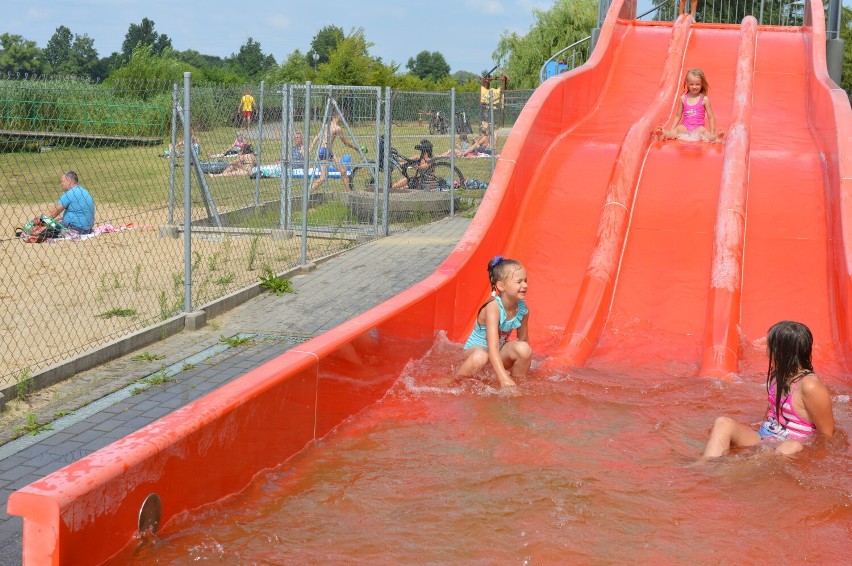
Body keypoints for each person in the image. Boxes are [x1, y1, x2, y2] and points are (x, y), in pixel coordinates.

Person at [701, 321, 836, 458]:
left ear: (781, 353)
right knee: (723, 423)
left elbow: (828, 435)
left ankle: (741, 468)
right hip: (764, 437)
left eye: (768, 346)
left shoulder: (810, 386)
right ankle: (706, 469)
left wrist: (811, 459)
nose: (766, 351)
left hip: (790, 447)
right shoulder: (778, 375)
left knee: (790, 447)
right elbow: (770, 414)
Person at [455, 256, 532, 389]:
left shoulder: (522, 309)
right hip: (478, 350)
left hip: (498, 351)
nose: (525, 285)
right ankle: (454, 380)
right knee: (482, 356)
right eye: (519, 282)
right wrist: (503, 378)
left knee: (524, 349)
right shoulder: (493, 307)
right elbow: (492, 346)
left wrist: (525, 363)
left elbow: (524, 340)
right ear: (501, 286)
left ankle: (517, 385)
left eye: (525, 280)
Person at [655, 68, 723, 143]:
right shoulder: (683, 98)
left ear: (701, 84)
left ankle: (716, 138)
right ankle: (663, 135)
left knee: (703, 131)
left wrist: (712, 131)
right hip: (685, 127)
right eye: (691, 84)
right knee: (678, 129)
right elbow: (678, 116)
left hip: (698, 128)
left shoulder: (704, 99)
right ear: (687, 83)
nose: (694, 86)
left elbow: (710, 117)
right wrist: (672, 130)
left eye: (697, 84)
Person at [310, 113, 359, 191]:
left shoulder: (326, 125)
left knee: (340, 172)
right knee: (336, 173)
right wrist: (356, 148)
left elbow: (317, 137)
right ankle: (349, 193)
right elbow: (345, 142)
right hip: (326, 152)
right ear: (335, 116)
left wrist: (311, 148)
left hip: (323, 152)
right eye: (341, 115)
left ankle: (307, 192)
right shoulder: (337, 128)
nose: (342, 117)